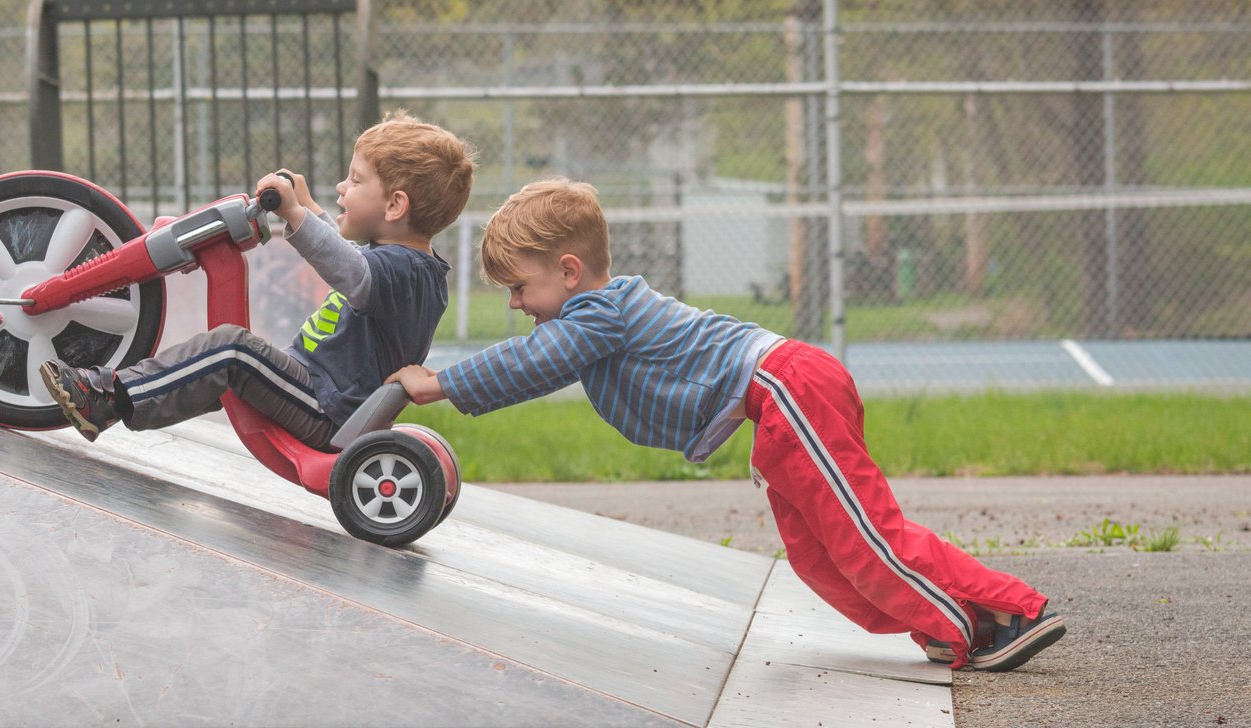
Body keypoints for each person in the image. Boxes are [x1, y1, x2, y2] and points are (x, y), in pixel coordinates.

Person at [388, 177, 1065, 672]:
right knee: (817, 558)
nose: (514, 304)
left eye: (519, 287)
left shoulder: (596, 314)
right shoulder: (594, 316)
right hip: (772, 408)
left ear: (568, 272)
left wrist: (439, 383)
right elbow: (543, 356)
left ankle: (1001, 615)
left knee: (862, 537)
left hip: (787, 387)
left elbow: (533, 363)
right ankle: (951, 622)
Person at [40, 110, 476, 451]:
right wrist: (310, 207)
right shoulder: (405, 264)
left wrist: (295, 214)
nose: (343, 187)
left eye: (356, 180)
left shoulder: (406, 271)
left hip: (327, 407)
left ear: (396, 205)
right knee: (221, 359)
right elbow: (355, 264)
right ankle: (127, 393)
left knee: (231, 347)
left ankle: (108, 398)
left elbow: (351, 271)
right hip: (317, 391)